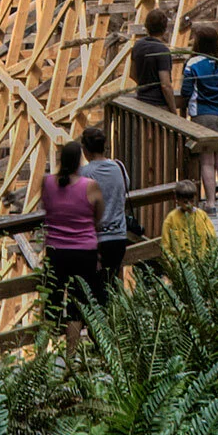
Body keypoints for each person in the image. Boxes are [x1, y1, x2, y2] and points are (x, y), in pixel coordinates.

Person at [39, 139, 102, 347]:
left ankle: (41, 359)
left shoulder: (47, 182)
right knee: (78, 304)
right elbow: (98, 216)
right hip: (84, 251)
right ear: (79, 161)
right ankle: (71, 357)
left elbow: (46, 207)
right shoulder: (90, 186)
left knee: (51, 302)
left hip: (56, 250)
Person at [180, 23, 218, 216]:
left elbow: (186, 91)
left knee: (207, 162)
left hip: (203, 115)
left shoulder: (193, 64)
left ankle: (210, 203)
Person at [79, 125, 130, 304]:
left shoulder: (84, 174)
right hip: (118, 238)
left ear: (85, 149)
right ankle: (114, 327)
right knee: (111, 288)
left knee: (92, 294)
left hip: (95, 241)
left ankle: (100, 331)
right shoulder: (119, 167)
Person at [129, 9, 175, 107]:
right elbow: (165, 85)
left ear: (146, 27)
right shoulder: (162, 50)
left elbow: (132, 74)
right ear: (165, 28)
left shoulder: (137, 46)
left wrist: (145, 86)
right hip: (157, 104)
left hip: (141, 100)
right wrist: (174, 110)